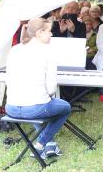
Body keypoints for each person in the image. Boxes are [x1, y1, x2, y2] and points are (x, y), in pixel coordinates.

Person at [5, 18, 71, 160]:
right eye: (49, 31)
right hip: (34, 108)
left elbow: (8, 81)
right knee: (64, 107)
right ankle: (41, 144)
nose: (51, 34)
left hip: (11, 107)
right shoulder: (48, 52)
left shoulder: (14, 50)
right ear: (40, 32)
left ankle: (51, 144)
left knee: (38, 105)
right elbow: (51, 89)